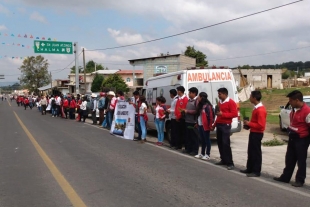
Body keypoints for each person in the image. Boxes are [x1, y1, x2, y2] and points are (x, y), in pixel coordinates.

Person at [273, 90, 310, 187]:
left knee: (301, 160)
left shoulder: (307, 111)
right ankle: (285, 177)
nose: (289, 102)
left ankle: (300, 180)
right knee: (289, 158)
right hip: (293, 137)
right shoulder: (293, 111)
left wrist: (304, 137)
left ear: (297, 100)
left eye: (291, 100)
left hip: (301, 139)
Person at [240, 91, 267, 177]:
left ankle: (256, 171)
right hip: (253, 132)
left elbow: (260, 125)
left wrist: (249, 124)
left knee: (256, 152)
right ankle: (250, 168)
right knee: (251, 151)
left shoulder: (261, 110)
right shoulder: (255, 108)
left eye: (251, 96)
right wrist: (249, 125)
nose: (250, 98)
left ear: (254, 98)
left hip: (257, 133)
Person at [212, 88, 238, 170]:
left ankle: (230, 162)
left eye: (220, 94)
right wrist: (214, 124)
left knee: (226, 143)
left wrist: (223, 114)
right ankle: (223, 159)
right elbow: (218, 116)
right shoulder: (220, 102)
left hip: (226, 125)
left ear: (224, 94)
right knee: (220, 142)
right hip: (219, 124)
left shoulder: (231, 102)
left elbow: (234, 114)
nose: (218, 96)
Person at [195, 92, 214, 160]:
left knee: (207, 140)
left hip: (205, 126)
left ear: (202, 97)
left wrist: (210, 125)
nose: (197, 98)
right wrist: (197, 123)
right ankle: (202, 153)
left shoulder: (207, 106)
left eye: (199, 97)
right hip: (200, 125)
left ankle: (207, 154)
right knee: (202, 140)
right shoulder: (200, 105)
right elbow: (199, 116)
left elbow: (211, 117)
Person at [180, 87, 199, 155]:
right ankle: (188, 149)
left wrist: (187, 111)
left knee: (194, 137)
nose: (189, 94)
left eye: (190, 93)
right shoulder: (189, 100)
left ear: (194, 93)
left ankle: (195, 150)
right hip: (187, 120)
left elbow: (197, 111)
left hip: (193, 122)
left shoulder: (196, 101)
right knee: (188, 136)